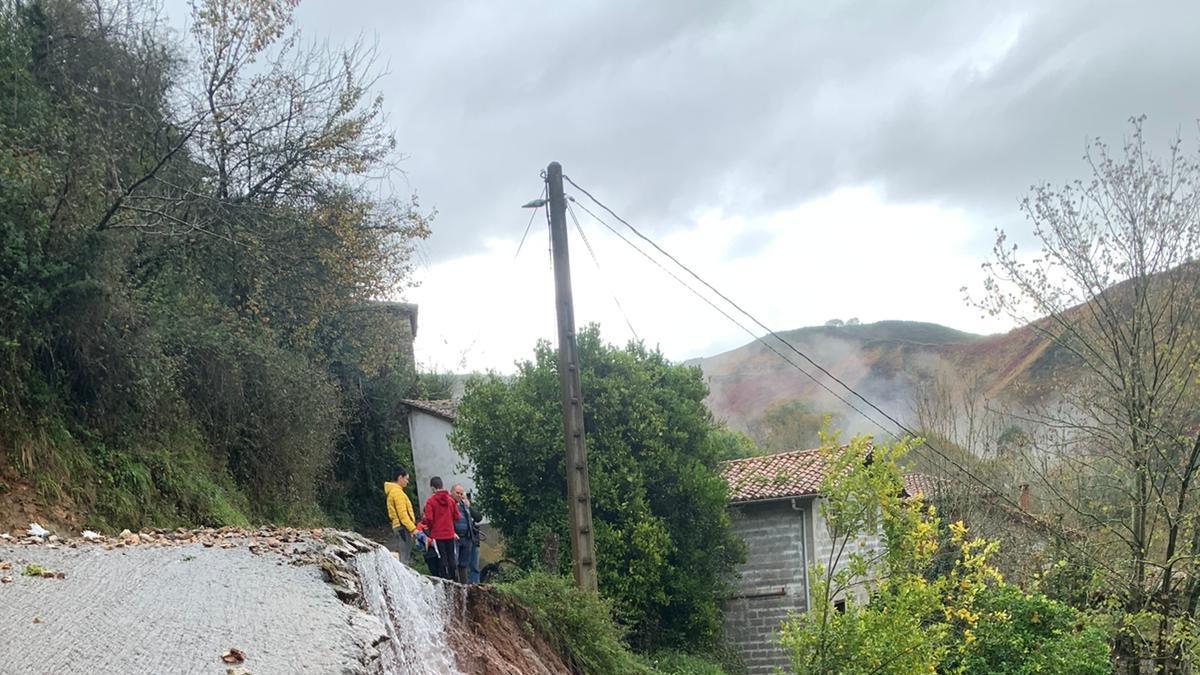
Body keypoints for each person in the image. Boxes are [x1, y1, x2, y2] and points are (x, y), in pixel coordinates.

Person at [421, 476, 459, 580]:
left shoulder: (430, 501)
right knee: (451, 556)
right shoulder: (451, 501)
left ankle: (445, 578)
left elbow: (428, 518)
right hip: (450, 533)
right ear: (442, 485)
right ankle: (454, 577)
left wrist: (430, 527)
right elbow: (457, 516)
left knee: (442, 556)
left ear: (433, 488)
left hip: (438, 535)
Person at [383, 466, 417, 564]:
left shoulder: (394, 491)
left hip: (400, 526)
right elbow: (403, 515)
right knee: (404, 556)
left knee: (403, 553)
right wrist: (413, 529)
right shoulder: (397, 493)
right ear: (400, 478)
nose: (407, 482)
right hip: (403, 527)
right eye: (406, 479)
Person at [451, 484, 483, 584]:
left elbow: (478, 517)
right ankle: (456, 583)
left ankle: (466, 585)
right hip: (455, 537)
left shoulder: (465, 506)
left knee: (466, 564)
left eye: (461, 494)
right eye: (457, 493)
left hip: (467, 538)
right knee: (455, 563)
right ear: (451, 492)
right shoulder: (449, 504)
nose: (459, 496)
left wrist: (469, 507)